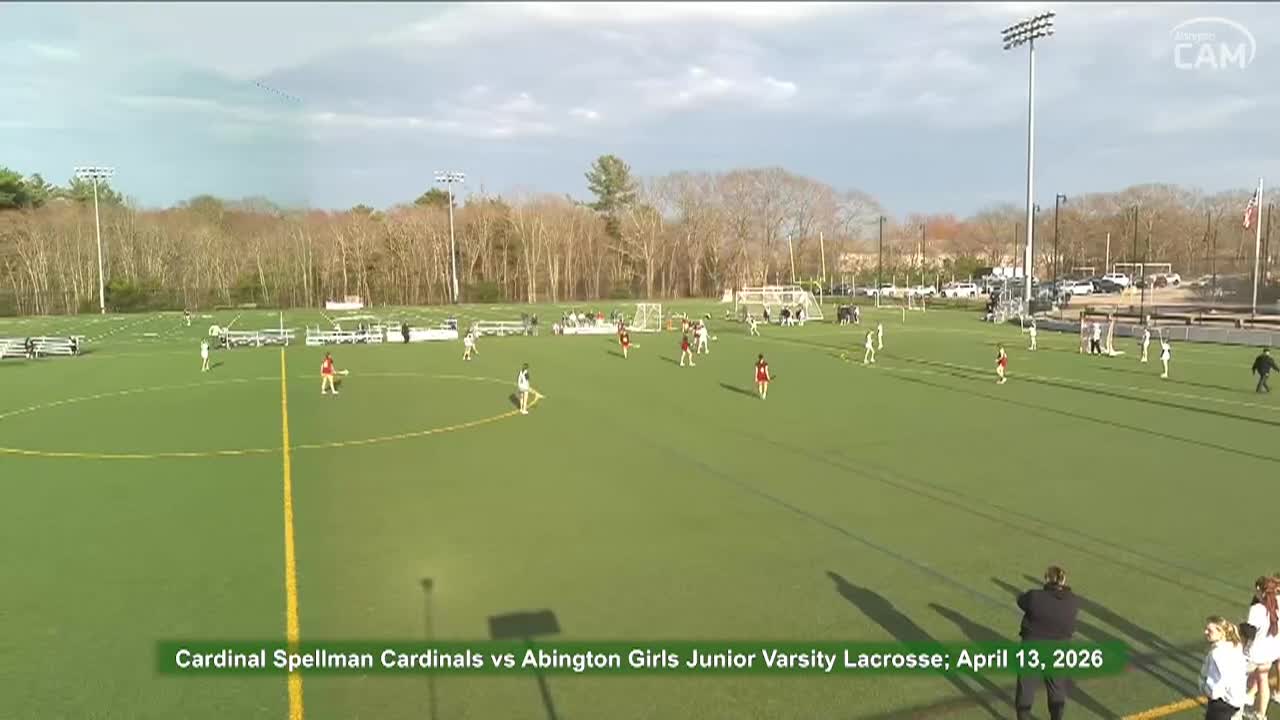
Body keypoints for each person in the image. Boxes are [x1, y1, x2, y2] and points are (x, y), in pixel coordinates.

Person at [1015, 566, 1080, 720]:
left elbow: (1021, 600)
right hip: (1059, 648)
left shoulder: (1035, 597)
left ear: (1046, 579)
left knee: (1026, 687)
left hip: (1033, 646)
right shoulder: (1073, 601)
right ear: (1063, 580)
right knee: (1056, 687)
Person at [1200, 616, 1248, 720]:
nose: (1205, 632)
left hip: (1223, 703)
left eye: (1210, 631)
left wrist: (1204, 688)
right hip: (1237, 698)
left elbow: (1215, 688)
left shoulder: (1216, 654)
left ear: (1221, 633)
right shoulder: (1235, 645)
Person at [1245, 576, 1280, 717]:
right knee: (1263, 679)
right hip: (1271, 652)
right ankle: (1260, 714)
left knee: (1240, 680)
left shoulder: (1257, 609)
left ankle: (1238, 709)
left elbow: (1249, 633)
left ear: (1260, 590)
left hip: (1254, 654)